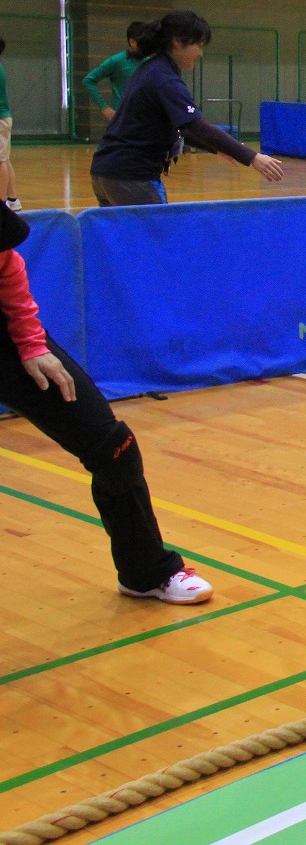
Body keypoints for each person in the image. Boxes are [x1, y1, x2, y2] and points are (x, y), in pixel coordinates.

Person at [0, 203, 212, 603]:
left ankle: (144, 573)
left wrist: (30, 343)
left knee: (114, 449)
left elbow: (6, 263)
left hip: (7, 338)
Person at [89, 11, 285, 206]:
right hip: (131, 178)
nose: (200, 53)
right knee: (161, 228)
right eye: (198, 45)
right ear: (177, 42)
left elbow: (180, 129)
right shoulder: (163, 78)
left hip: (105, 173)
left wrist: (216, 148)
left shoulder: (151, 69)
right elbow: (198, 127)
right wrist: (252, 157)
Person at [83, 21, 146, 131]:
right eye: (144, 42)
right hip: (124, 122)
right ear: (132, 42)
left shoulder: (152, 62)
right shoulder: (117, 61)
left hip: (147, 120)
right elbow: (88, 80)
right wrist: (104, 107)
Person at [0, 36, 13, 211]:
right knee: (5, 159)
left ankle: (2, 202)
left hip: (1, 119)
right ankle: (13, 198)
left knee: (1, 161)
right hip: (4, 118)